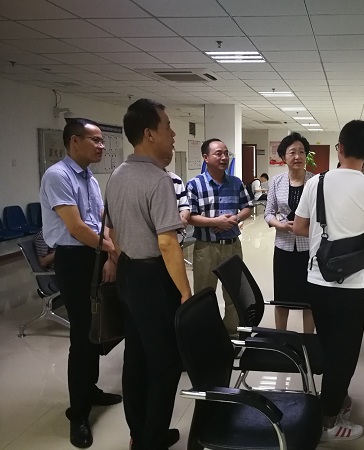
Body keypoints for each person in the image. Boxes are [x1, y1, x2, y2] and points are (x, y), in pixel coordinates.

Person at [293, 120, 364, 441]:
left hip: (316, 280)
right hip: (350, 287)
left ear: (339, 148)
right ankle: (327, 423)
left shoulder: (316, 182)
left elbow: (299, 227)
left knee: (329, 346)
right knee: (345, 353)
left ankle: (335, 398)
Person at [106, 99, 191, 450]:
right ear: (149, 133)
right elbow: (168, 244)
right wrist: (185, 293)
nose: (173, 134)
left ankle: (139, 433)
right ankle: (152, 440)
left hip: (128, 272)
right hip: (153, 278)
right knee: (166, 362)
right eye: (167, 126)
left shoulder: (116, 176)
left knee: (137, 357)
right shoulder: (158, 180)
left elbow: (112, 232)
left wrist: (121, 260)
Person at [39, 118, 121, 449]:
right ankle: (79, 414)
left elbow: (100, 220)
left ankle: (91, 389)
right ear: (74, 142)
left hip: (94, 255)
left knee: (96, 329)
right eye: (95, 140)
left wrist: (110, 251)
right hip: (74, 259)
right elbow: (76, 228)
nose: (102, 146)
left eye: (102, 141)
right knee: (82, 335)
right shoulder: (58, 175)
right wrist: (113, 250)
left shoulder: (89, 178)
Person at [186, 138, 253, 337]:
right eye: (218, 153)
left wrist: (236, 218)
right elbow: (190, 216)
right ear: (206, 157)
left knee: (234, 293)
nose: (224, 157)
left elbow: (247, 207)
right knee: (204, 294)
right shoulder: (195, 185)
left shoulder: (236, 182)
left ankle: (231, 333)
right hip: (206, 248)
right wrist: (215, 222)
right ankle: (206, 335)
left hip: (232, 247)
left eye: (226, 153)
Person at [264, 133, 315, 332]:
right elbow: (268, 213)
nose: (297, 156)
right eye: (292, 152)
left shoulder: (315, 182)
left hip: (308, 248)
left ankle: (308, 340)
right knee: (282, 297)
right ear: (283, 157)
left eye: (302, 152)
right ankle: (281, 338)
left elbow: (321, 215)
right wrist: (280, 225)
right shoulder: (276, 182)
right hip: (283, 247)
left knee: (309, 298)